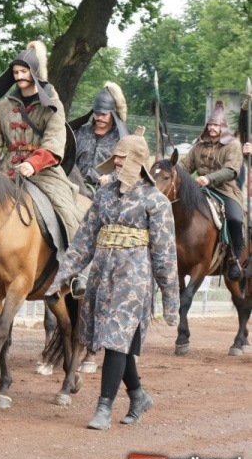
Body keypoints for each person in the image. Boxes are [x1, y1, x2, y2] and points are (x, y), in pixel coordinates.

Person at [47, 133, 178, 430]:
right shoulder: (103, 195)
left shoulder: (155, 201)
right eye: (116, 155)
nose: (115, 160)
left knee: (117, 338)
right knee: (113, 342)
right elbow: (83, 241)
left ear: (136, 159)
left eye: (121, 156)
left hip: (134, 281)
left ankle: (103, 408)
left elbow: (165, 255)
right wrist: (61, 278)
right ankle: (139, 395)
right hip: (101, 280)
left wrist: (171, 302)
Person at [0, 40, 83, 240]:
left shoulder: (53, 105)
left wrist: (33, 163)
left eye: (24, 71)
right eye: (15, 72)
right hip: (6, 170)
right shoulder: (4, 106)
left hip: (45, 173)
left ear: (33, 72)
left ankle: (72, 264)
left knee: (68, 214)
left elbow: (54, 142)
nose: (19, 76)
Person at [178, 100, 246, 280]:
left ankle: (235, 259)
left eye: (216, 124)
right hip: (199, 191)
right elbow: (185, 166)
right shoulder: (199, 145)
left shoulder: (233, 146)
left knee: (235, 219)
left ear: (223, 126)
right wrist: (171, 170)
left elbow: (231, 170)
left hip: (225, 191)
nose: (212, 128)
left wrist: (209, 178)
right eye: (210, 124)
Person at [74, 82, 128, 191]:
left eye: (104, 114)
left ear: (112, 113)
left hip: (106, 192)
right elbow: (69, 161)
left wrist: (111, 178)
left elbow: (128, 169)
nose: (99, 117)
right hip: (76, 188)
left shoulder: (123, 138)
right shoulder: (80, 132)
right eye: (96, 113)